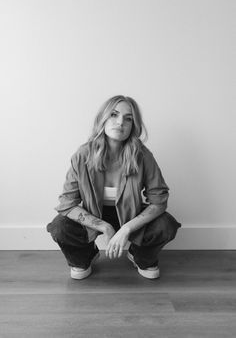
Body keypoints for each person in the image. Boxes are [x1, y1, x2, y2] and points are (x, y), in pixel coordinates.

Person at [47, 95, 181, 280]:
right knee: (59, 226)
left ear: (134, 125)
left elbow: (159, 201)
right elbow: (67, 203)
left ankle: (140, 256)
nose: (120, 123)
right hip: (94, 214)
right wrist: (103, 226)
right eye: (114, 115)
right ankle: (84, 257)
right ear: (103, 118)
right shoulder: (83, 155)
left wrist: (126, 229)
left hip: (131, 215)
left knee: (166, 225)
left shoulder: (142, 155)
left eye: (128, 118)